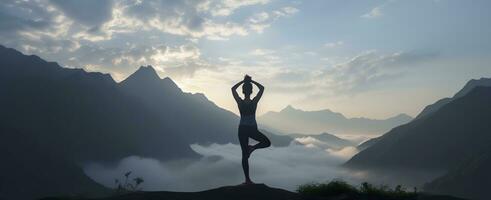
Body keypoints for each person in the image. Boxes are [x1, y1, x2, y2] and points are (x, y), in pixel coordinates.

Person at [231, 75, 271, 185]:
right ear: (251, 91)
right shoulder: (254, 102)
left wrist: (243, 81)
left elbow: (233, 89)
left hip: (242, 129)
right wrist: (251, 81)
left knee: (244, 155)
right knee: (266, 142)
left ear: (243, 91)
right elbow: (262, 88)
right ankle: (252, 148)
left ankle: (247, 180)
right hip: (252, 129)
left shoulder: (240, 102)